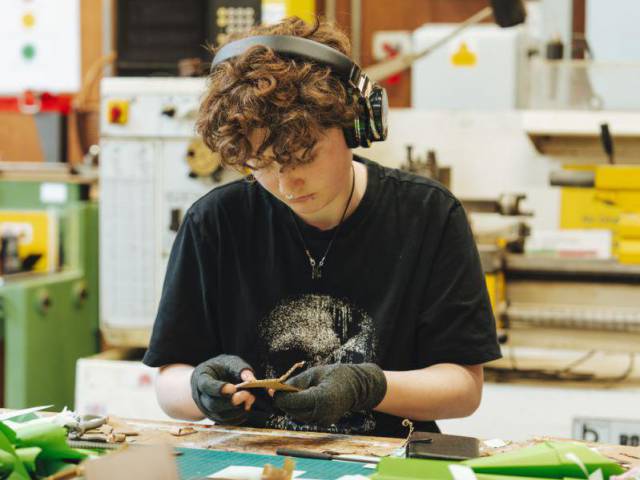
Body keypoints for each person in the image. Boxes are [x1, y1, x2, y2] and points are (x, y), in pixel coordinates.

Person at [142, 16, 501, 438]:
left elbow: (464, 388)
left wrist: (369, 386)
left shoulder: (428, 215)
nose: (287, 183)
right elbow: (168, 385)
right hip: (250, 459)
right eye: (263, 165)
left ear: (353, 126)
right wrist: (199, 389)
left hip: (386, 460)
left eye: (303, 156)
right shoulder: (215, 223)